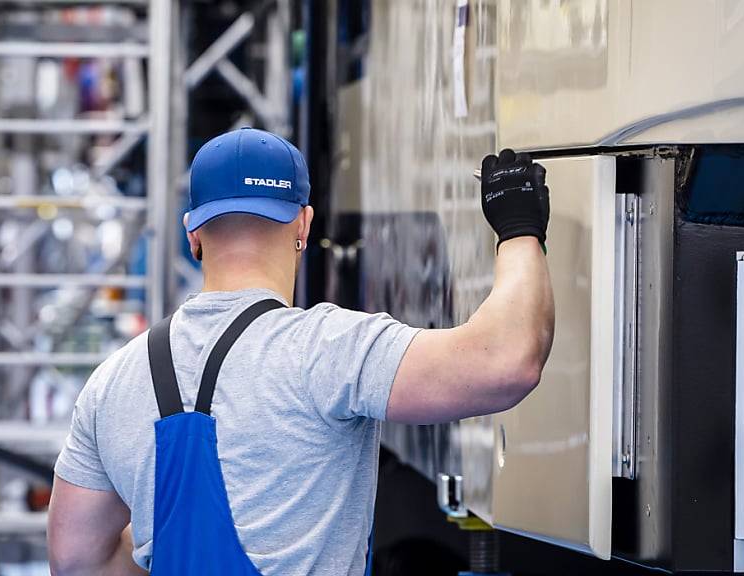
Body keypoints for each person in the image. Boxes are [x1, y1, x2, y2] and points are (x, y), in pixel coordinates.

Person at [47, 129, 554, 576]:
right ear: (304, 226)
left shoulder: (111, 383)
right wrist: (518, 228)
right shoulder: (328, 350)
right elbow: (504, 362)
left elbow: (75, 562)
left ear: (193, 233)